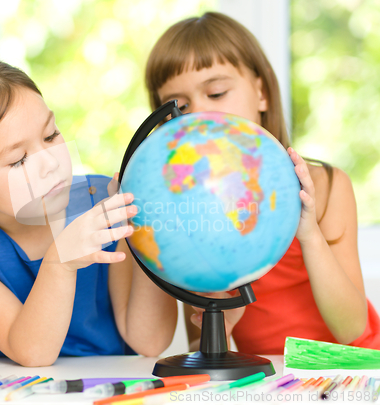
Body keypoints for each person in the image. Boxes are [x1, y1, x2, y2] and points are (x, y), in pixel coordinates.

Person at [0, 52, 177, 366]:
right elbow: (32, 351)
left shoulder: (101, 201)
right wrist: (59, 262)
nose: (50, 162)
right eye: (18, 160)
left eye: (51, 135)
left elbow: (150, 341)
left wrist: (144, 227)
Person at [144, 12, 380, 354]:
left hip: (356, 369)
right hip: (275, 381)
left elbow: (352, 329)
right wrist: (222, 323)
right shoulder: (188, 209)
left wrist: (309, 233)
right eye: (179, 106)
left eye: (217, 92)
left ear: (262, 93)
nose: (200, 115)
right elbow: (201, 345)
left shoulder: (325, 186)